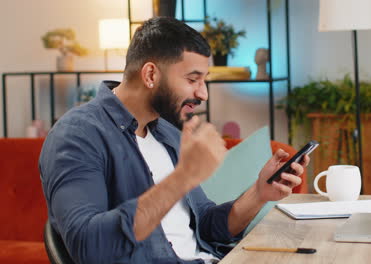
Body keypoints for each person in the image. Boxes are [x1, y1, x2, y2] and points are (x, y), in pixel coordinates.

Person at [39, 17, 308, 264]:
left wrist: (260, 193)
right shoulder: (77, 135)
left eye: (204, 81)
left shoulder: (167, 133)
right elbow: (87, 247)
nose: (203, 94)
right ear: (151, 75)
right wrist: (182, 178)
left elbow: (205, 225)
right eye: (193, 80)